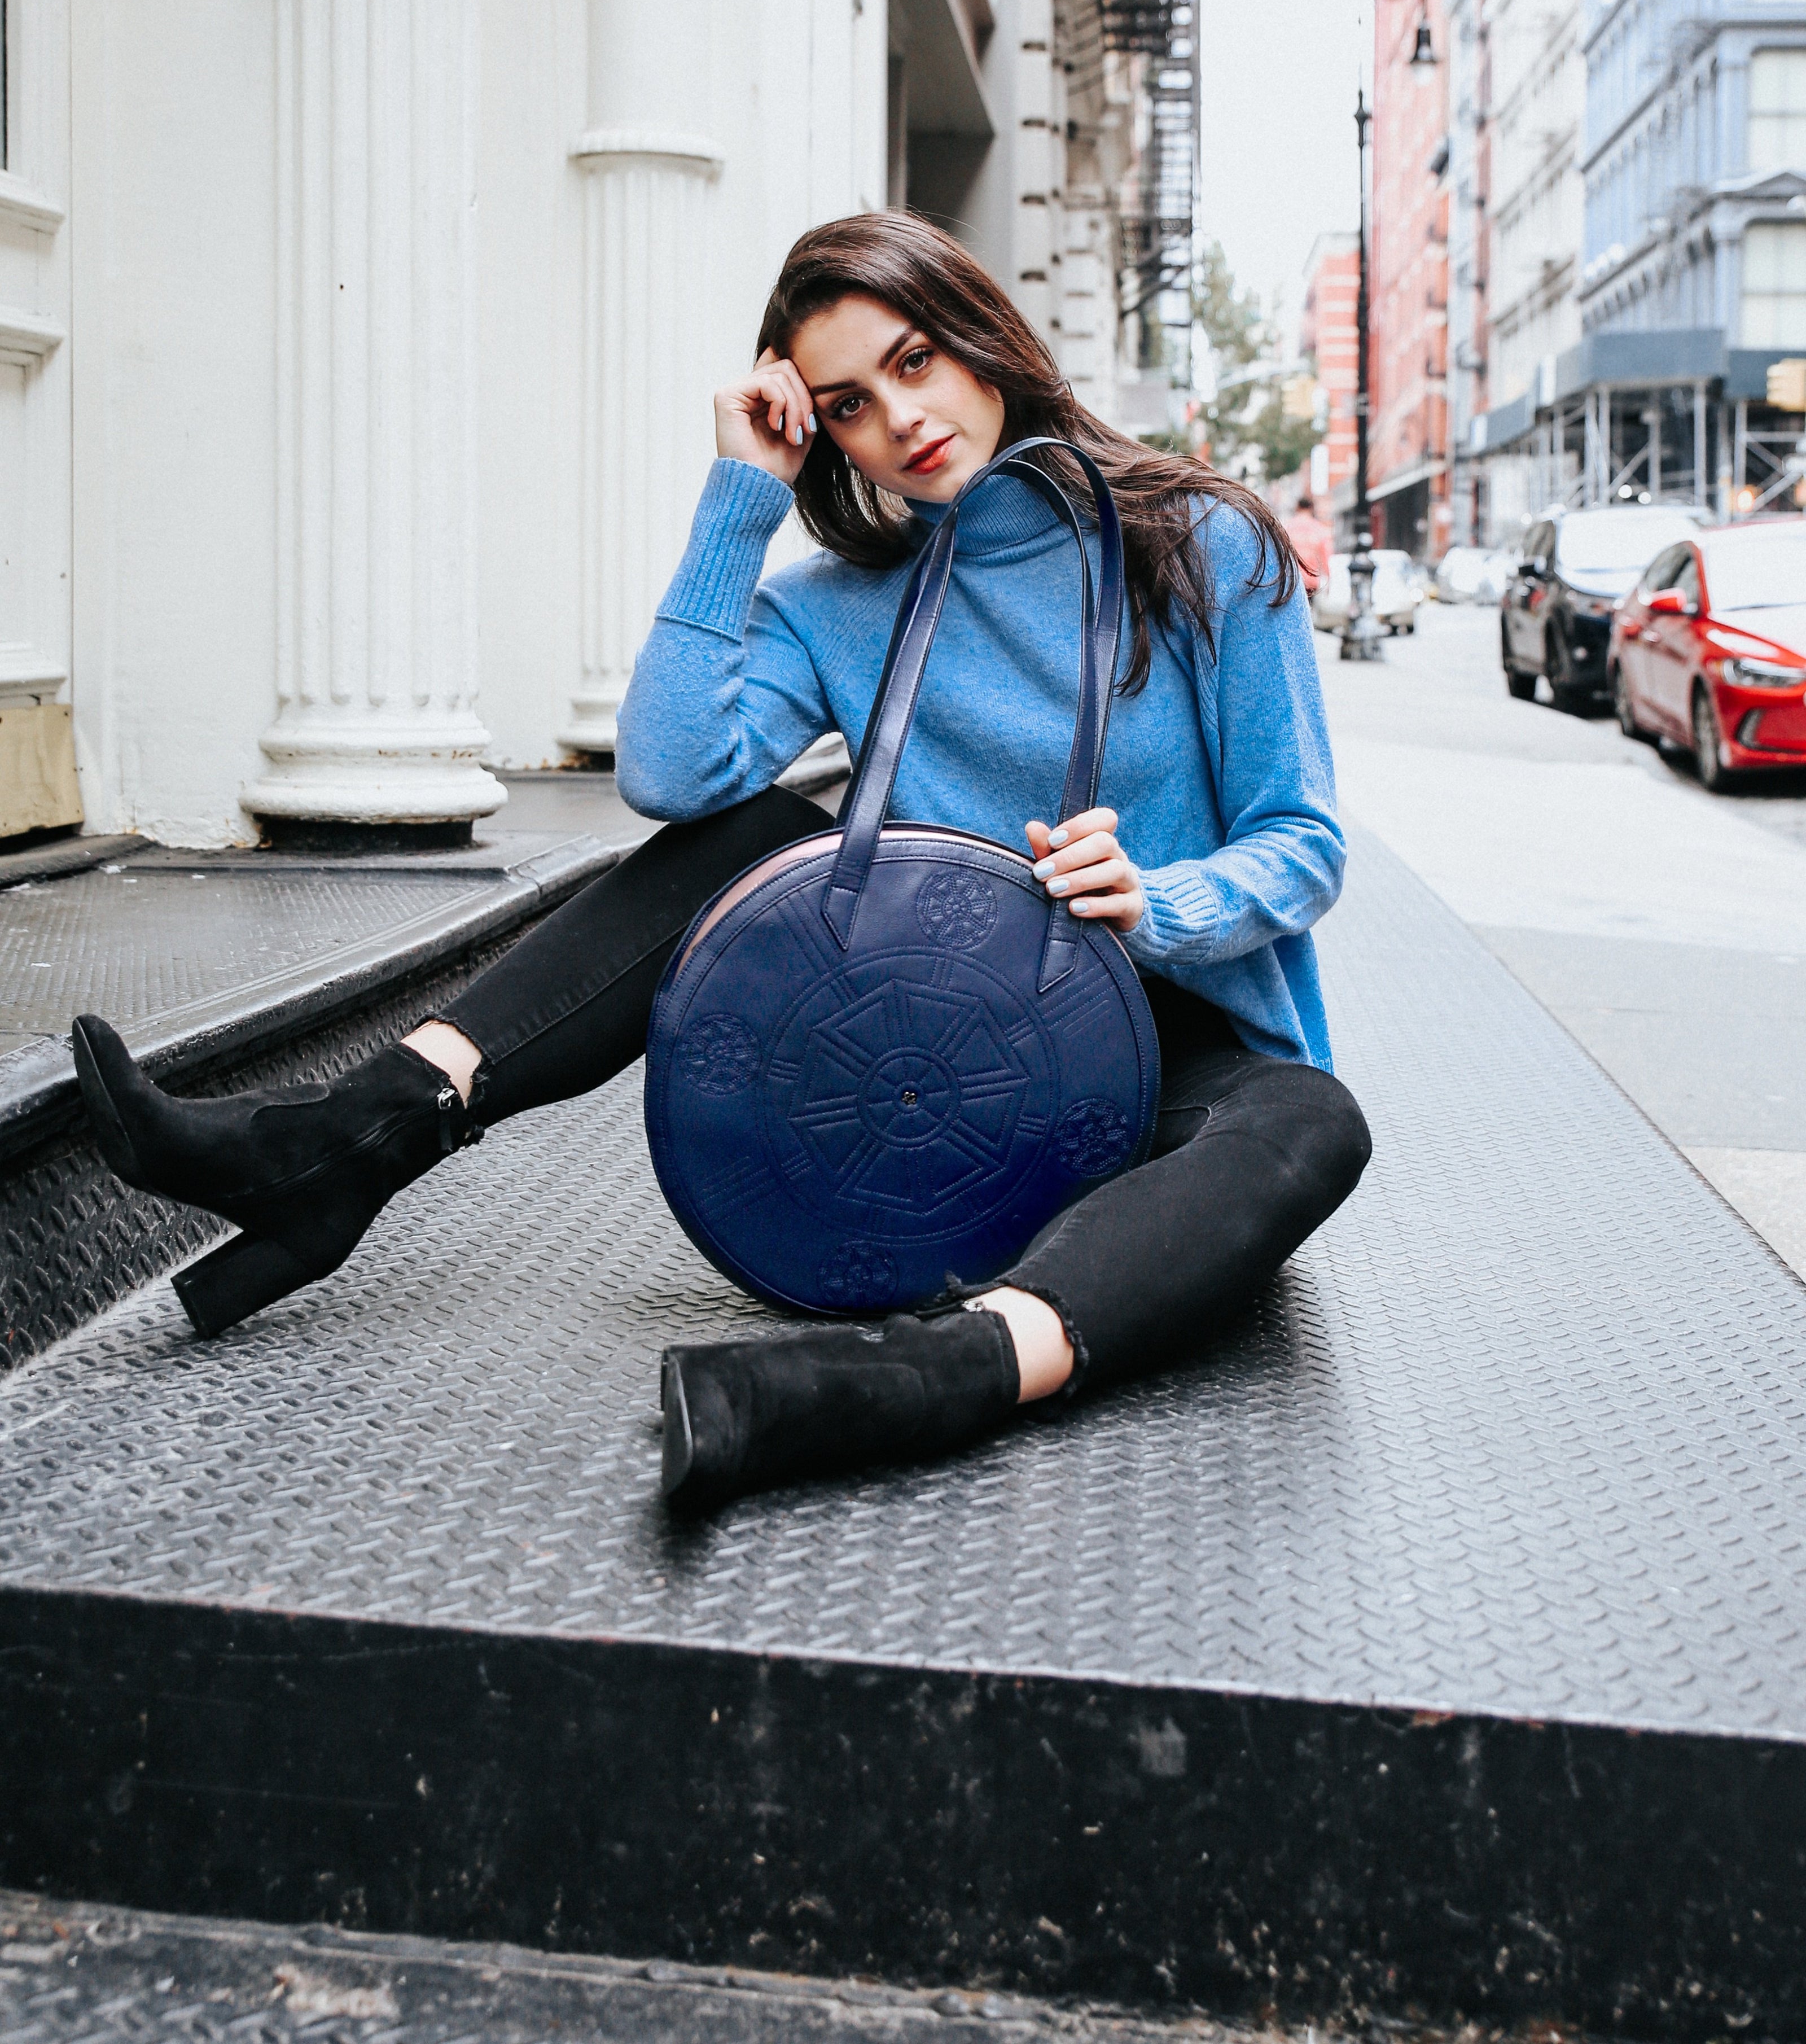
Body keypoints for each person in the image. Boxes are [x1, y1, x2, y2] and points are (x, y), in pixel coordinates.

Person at [72, 212, 1370, 1515]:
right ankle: (349, 1141)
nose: (903, 419)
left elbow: (1303, 842)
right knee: (750, 838)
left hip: (1179, 1053)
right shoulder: (841, 597)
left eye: (917, 359)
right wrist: (740, 500)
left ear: (984, 338)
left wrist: (1164, 892)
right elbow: (671, 770)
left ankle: (939, 1371)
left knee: (1315, 1120)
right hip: (950, 1066)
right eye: (852, 404)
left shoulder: (1202, 543)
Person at [1284, 490, 1334, 597]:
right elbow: (1326, 556)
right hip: (1311, 579)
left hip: (1292, 579)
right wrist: (1329, 579)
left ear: (1298, 507)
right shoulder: (1319, 529)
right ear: (1311, 508)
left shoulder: (1288, 527)